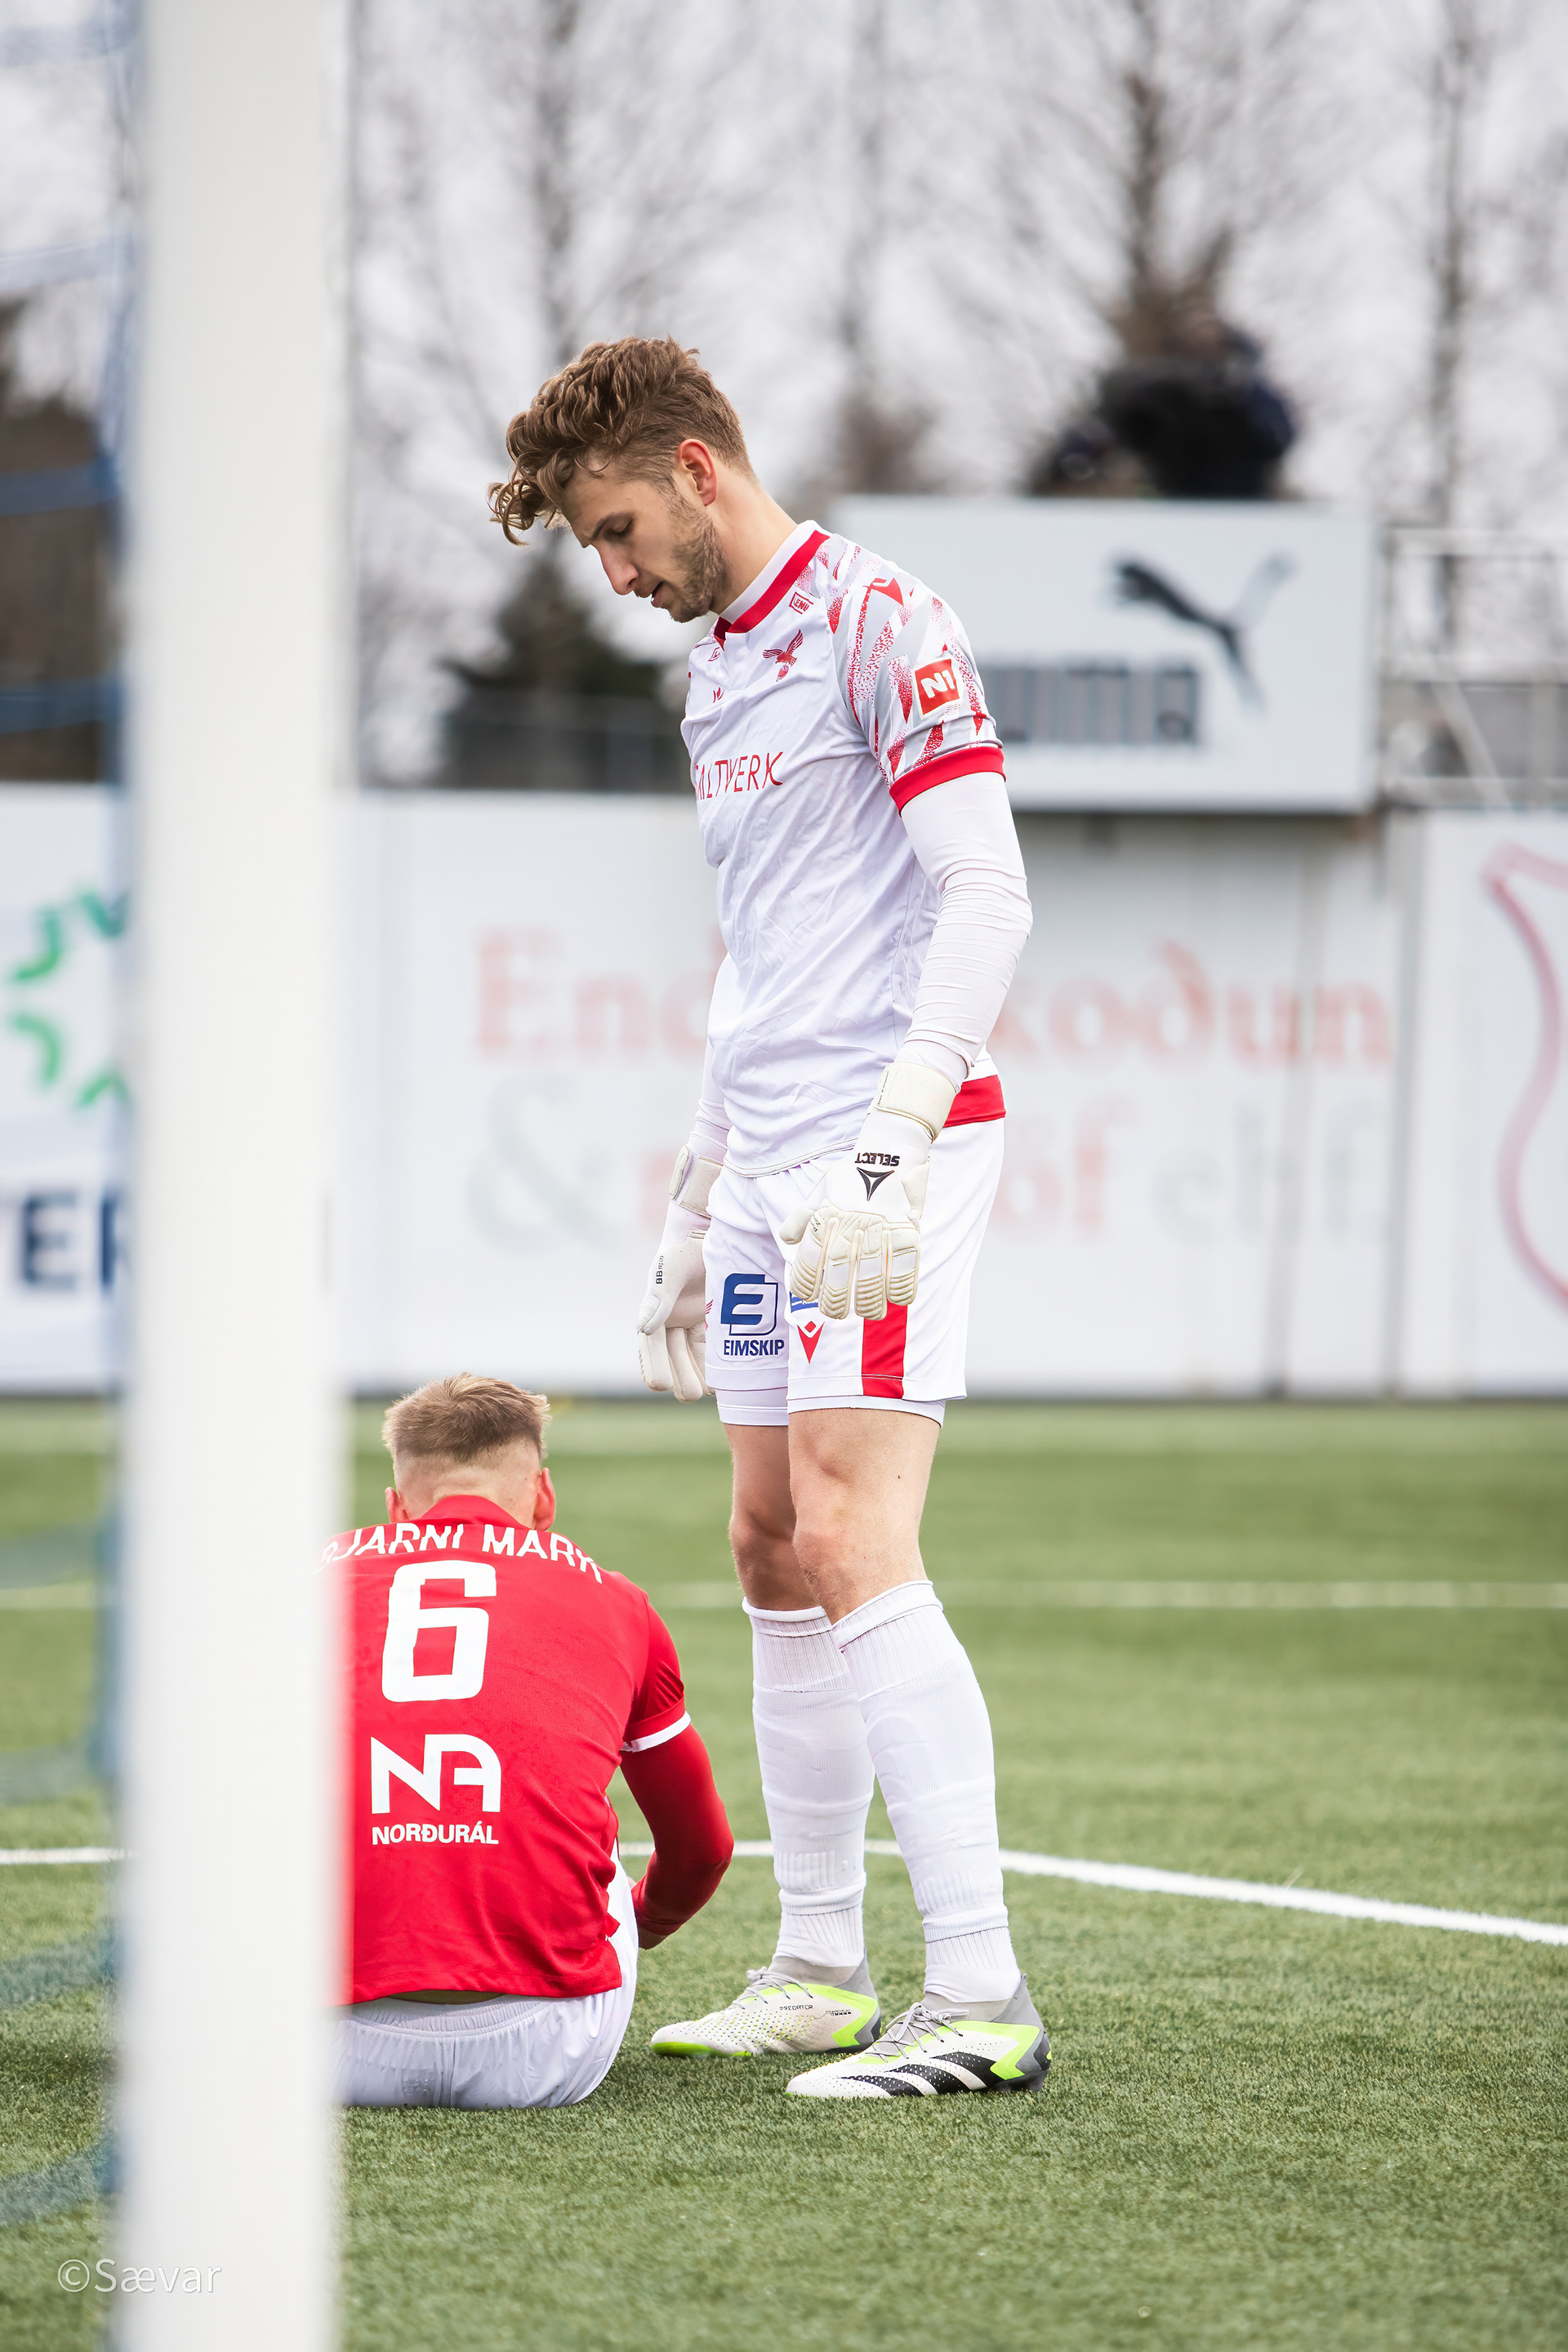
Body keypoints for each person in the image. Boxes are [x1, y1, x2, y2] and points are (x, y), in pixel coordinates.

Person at [487, 340, 1049, 2102]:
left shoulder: (887, 620)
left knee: (855, 1534)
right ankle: (817, 1972)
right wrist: (695, 1187)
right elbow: (758, 962)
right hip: (768, 1166)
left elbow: (989, 894)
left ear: (697, 467)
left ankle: (983, 1999)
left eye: (618, 528)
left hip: (884, 1153)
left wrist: (894, 1136)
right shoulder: (718, 673)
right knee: (766, 1544)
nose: (616, 572)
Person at [328, 1373, 732, 2109]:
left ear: (396, 1508)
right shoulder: (618, 1601)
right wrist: (642, 1923)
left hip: (318, 2046)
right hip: (543, 2048)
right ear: (543, 1497)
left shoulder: (301, 1583)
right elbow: (702, 1848)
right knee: (583, 1823)